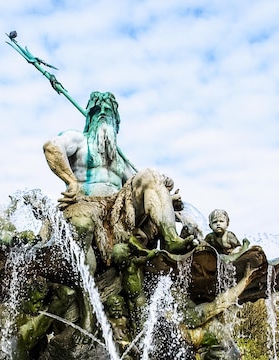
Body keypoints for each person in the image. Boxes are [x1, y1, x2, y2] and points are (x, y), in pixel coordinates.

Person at [43, 91, 196, 271]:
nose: (102, 114)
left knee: (150, 174)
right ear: (89, 118)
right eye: (97, 111)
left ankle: (171, 239)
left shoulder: (121, 161)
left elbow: (144, 188)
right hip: (86, 205)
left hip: (117, 213)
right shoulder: (78, 139)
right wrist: (71, 181)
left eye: (108, 112)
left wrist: (163, 190)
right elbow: (52, 147)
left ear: (116, 123)